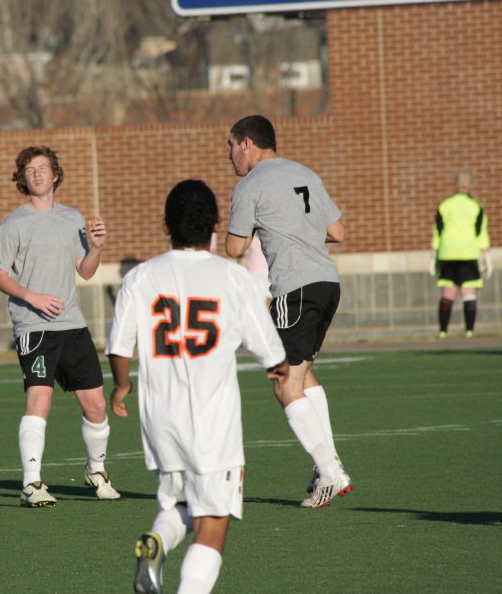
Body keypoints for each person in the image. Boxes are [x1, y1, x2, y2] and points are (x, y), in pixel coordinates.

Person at [107, 180, 288, 594]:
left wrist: (120, 388)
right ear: (217, 223)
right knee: (213, 525)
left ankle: (156, 542)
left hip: (160, 420)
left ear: (164, 224)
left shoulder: (140, 277)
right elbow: (270, 349)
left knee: (178, 506)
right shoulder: (232, 277)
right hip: (212, 423)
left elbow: (118, 345)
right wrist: (276, 366)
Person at [224, 115, 352, 508]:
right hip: (328, 284)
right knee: (304, 374)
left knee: (284, 383)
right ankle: (329, 467)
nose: (229, 156)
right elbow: (339, 231)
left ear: (247, 143)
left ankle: (330, 470)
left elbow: (234, 248)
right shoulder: (305, 172)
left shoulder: (250, 184)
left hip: (295, 290)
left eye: (230, 146)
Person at [0, 145, 120, 507]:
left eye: (42, 168)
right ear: (22, 178)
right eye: (29, 169)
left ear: (55, 174)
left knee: (96, 405)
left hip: (73, 324)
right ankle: (32, 484)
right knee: (40, 400)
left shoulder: (72, 218)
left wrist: (96, 247)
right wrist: (32, 298)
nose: (36, 174)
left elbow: (87, 270)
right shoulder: (13, 223)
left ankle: (97, 472)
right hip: (33, 326)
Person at [431, 168, 492, 338]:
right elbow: (481, 232)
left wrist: (434, 252)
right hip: (468, 253)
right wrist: (486, 253)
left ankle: (443, 331)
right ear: (471, 184)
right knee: (468, 292)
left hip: (447, 252)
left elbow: (438, 230)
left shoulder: (445, 205)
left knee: (448, 293)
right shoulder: (476, 206)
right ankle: (469, 331)